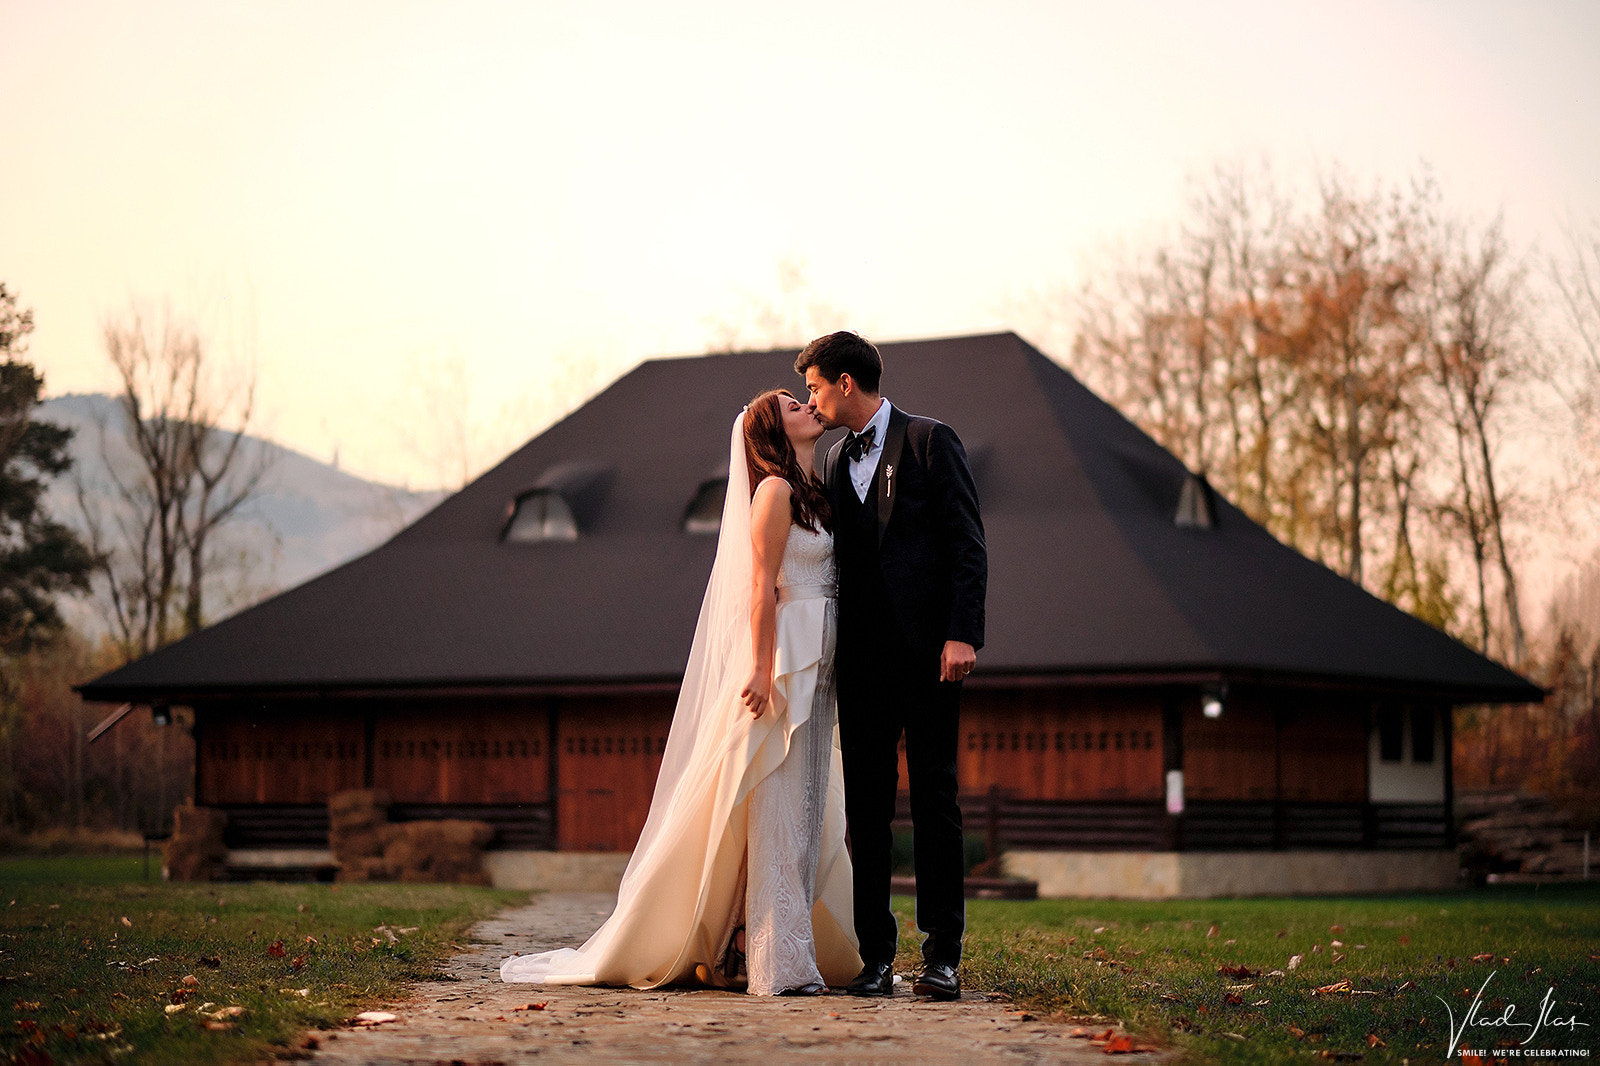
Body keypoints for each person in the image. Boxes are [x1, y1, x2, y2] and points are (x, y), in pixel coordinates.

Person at [500, 389, 861, 995]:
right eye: (791, 405)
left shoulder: (817, 491)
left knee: (809, 812)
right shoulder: (774, 493)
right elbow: (761, 587)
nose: (805, 405)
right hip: (784, 668)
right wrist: (759, 668)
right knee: (779, 811)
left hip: (820, 669)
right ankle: (779, 962)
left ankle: (754, 942)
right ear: (772, 432)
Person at [797, 331, 987, 1002]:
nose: (811, 401)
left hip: (932, 659)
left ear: (846, 383)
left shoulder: (930, 441)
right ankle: (876, 958)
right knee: (867, 809)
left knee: (935, 801)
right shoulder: (832, 458)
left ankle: (942, 958)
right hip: (862, 666)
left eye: (816, 387)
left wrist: (962, 635)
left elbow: (967, 544)